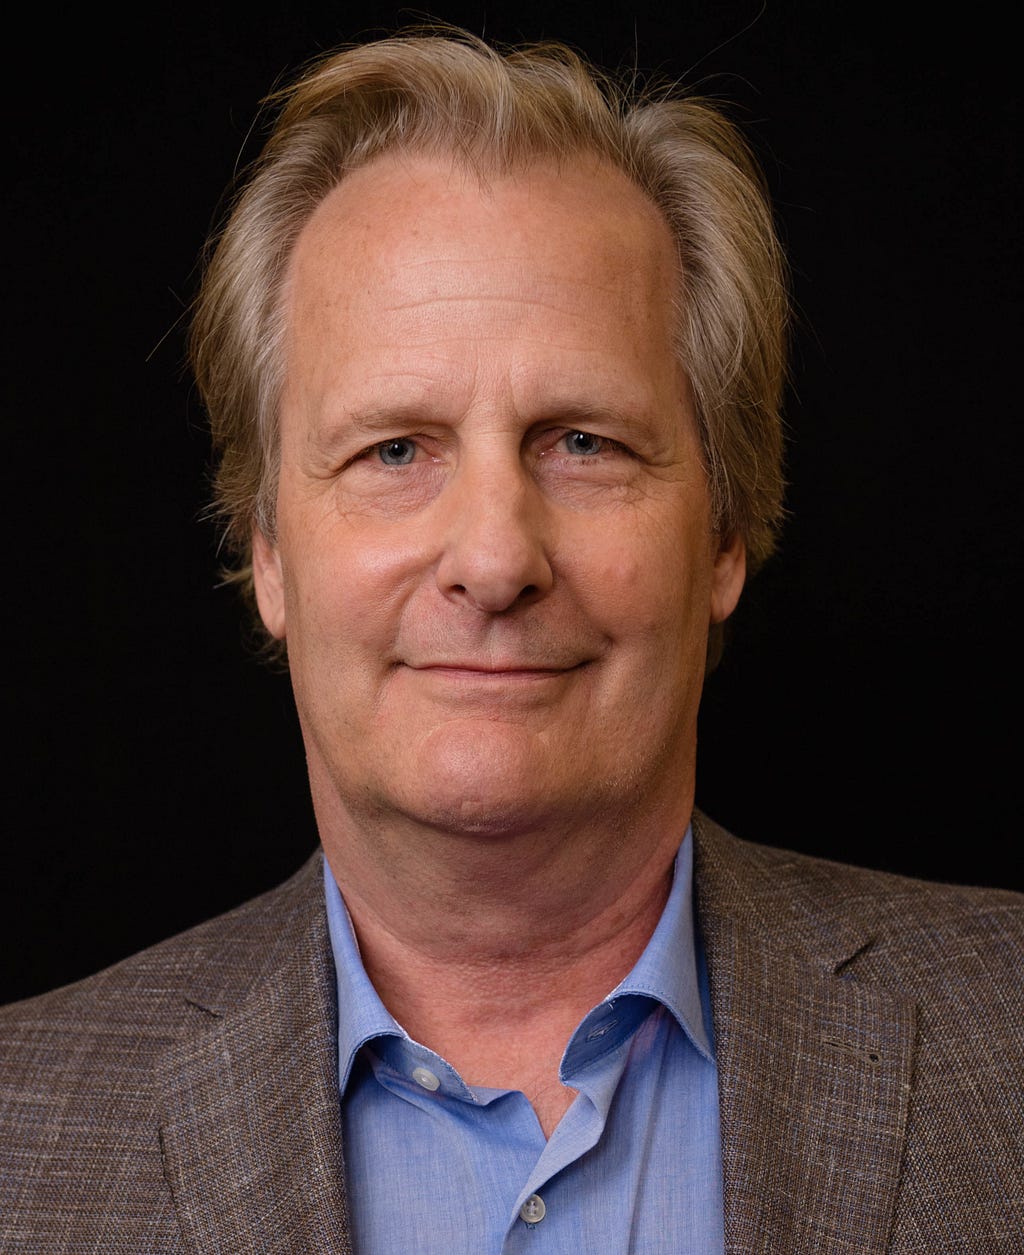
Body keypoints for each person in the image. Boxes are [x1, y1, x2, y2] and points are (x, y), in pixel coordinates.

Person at [1, 29, 1020, 1254]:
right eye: (394, 450)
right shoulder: (23, 1132)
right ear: (268, 548)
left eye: (583, 442)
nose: (493, 558)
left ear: (725, 533)